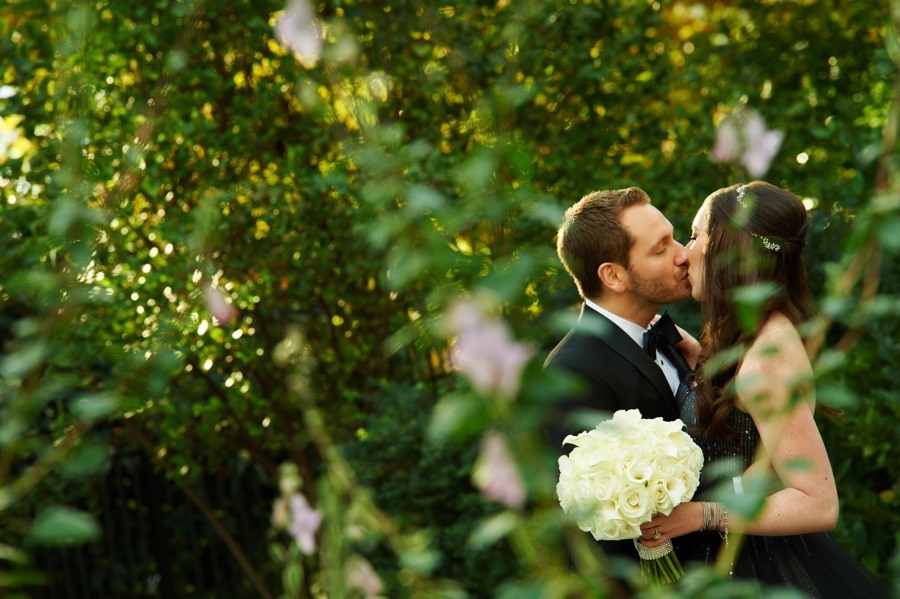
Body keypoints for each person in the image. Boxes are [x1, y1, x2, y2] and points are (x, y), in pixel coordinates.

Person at [637, 181, 889, 597]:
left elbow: (818, 501)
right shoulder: (757, 338)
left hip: (763, 571)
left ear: (725, 250)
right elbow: (749, 428)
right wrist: (702, 359)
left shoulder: (766, 360)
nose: (685, 251)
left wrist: (702, 515)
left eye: (696, 235)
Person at [545, 187, 699, 568]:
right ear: (613, 275)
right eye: (660, 248)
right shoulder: (572, 372)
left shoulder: (670, 339)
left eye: (674, 236)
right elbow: (591, 531)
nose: (683, 254)